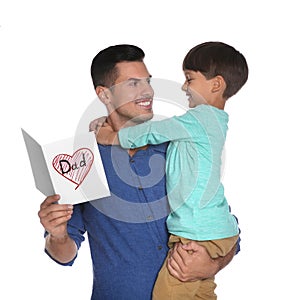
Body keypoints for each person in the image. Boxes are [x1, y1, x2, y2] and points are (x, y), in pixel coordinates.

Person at [38, 44, 239, 300]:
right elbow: (64, 254)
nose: (148, 91)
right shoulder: (78, 160)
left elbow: (223, 226)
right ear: (104, 95)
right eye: (133, 84)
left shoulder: (177, 145)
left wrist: (213, 264)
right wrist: (57, 234)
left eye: (148, 81)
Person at [97, 42, 248, 299]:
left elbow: (151, 132)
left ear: (216, 84)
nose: (183, 86)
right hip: (213, 231)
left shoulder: (196, 121)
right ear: (105, 94)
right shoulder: (205, 125)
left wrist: (110, 136)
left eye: (189, 79)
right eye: (133, 83)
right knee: (202, 293)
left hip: (195, 234)